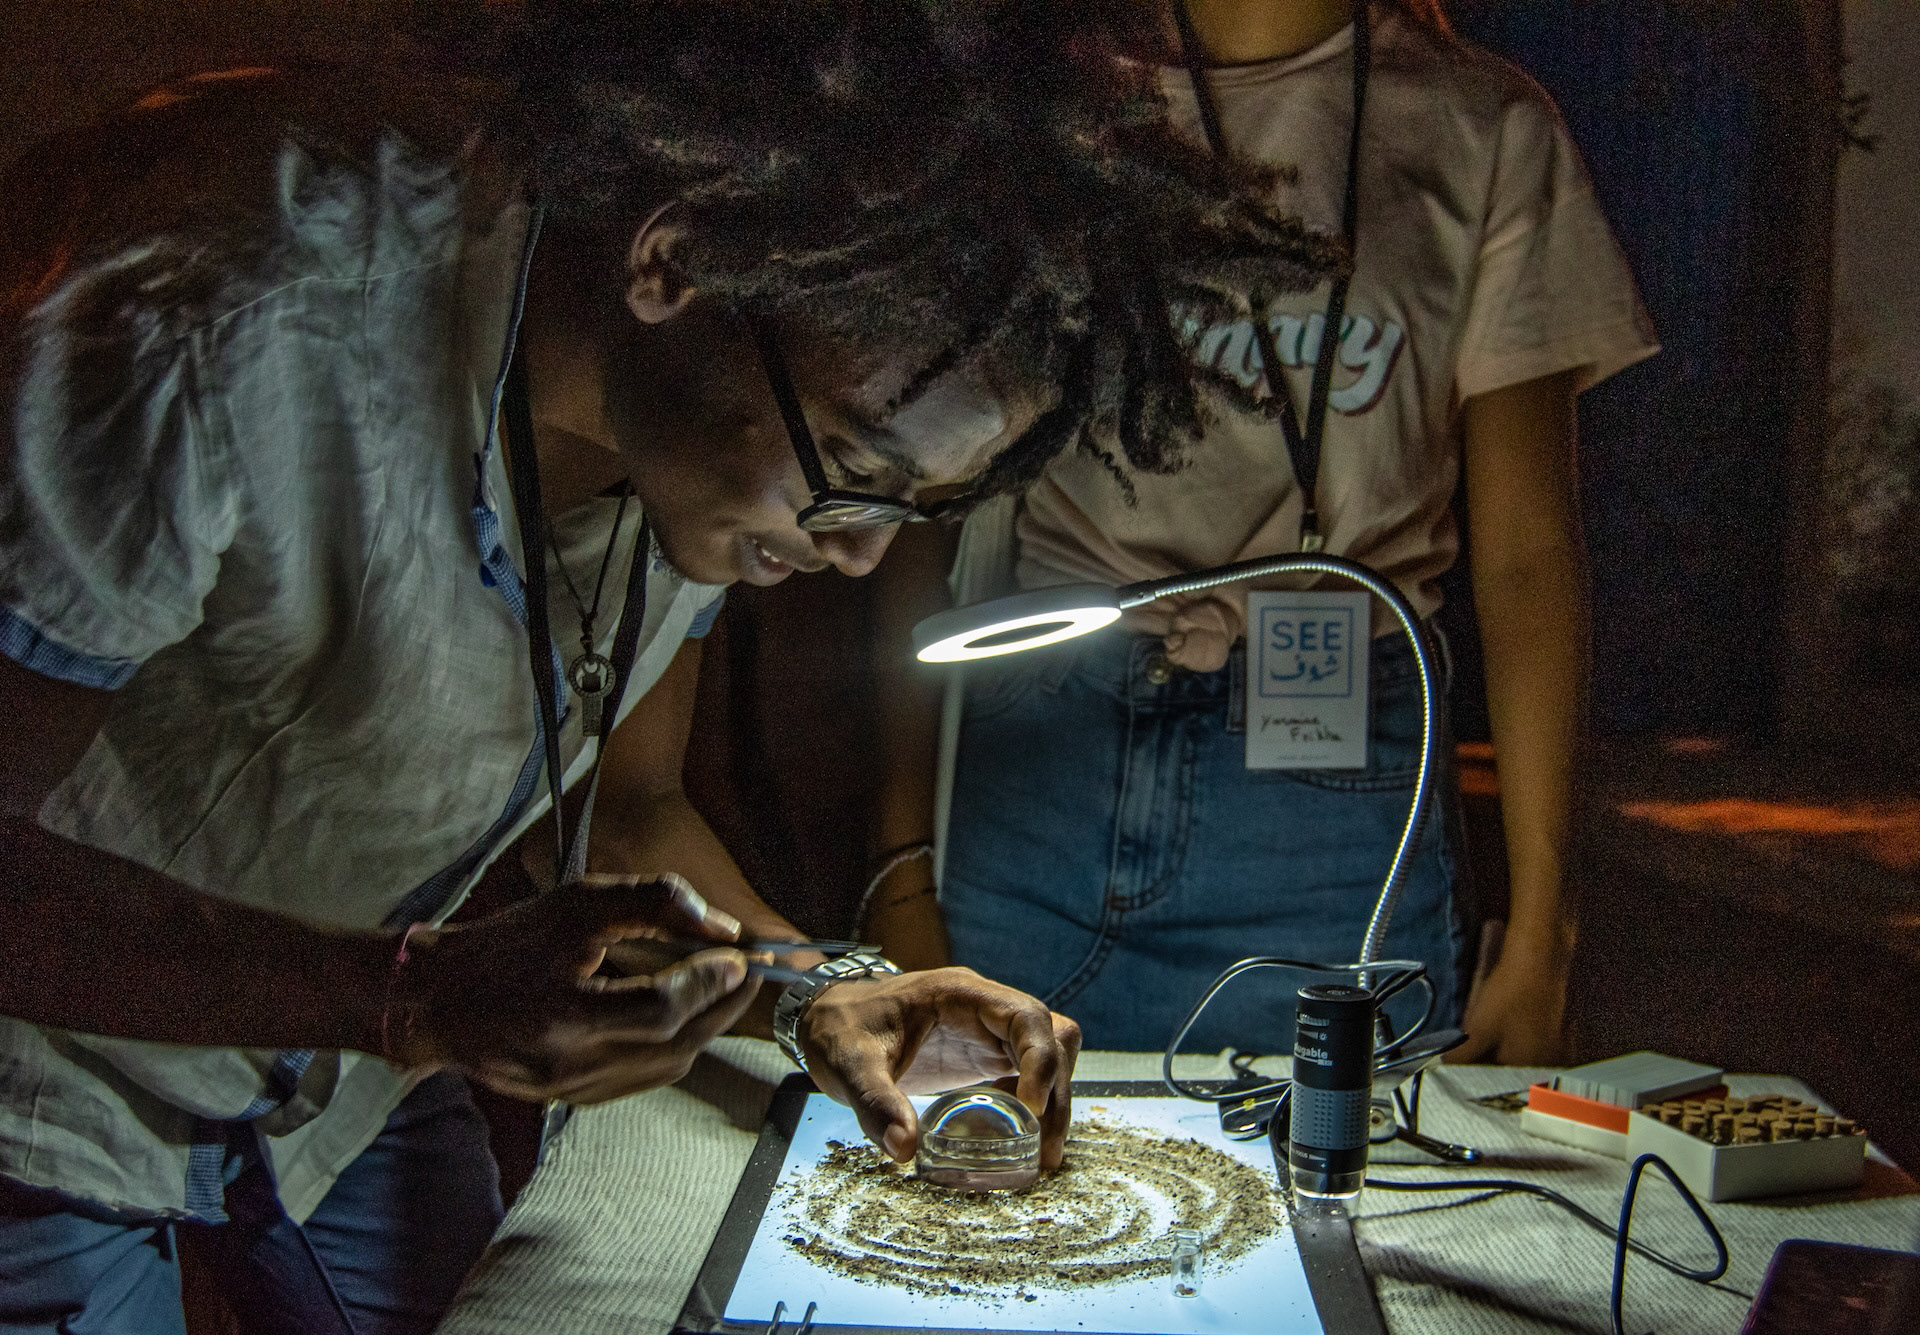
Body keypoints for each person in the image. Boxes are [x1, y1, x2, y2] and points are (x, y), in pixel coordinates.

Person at [0, 3, 1336, 1330]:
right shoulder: (211, 305)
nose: (862, 558)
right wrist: (410, 994)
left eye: (915, 510)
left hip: (331, 1076)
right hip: (41, 1083)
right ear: (675, 260)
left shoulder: (694, 437)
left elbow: (627, 818)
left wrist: (827, 981)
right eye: (856, 475)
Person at [868, 0, 1657, 1061]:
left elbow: (1529, 563)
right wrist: (897, 860)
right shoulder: (1038, 91)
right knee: (987, 1178)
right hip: (1041, 752)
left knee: (1349, 1201)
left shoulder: (1485, 126)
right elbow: (922, 503)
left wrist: (1545, 932)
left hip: (1332, 805)